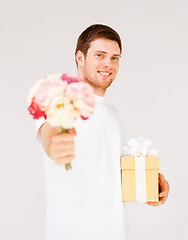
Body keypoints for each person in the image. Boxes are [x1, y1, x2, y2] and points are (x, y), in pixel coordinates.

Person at [36, 24, 169, 240]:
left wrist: (152, 184)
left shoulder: (112, 113)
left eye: (115, 58)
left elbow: (114, 174)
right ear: (80, 57)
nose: (108, 63)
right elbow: (47, 135)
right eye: (100, 55)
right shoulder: (58, 101)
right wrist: (53, 140)